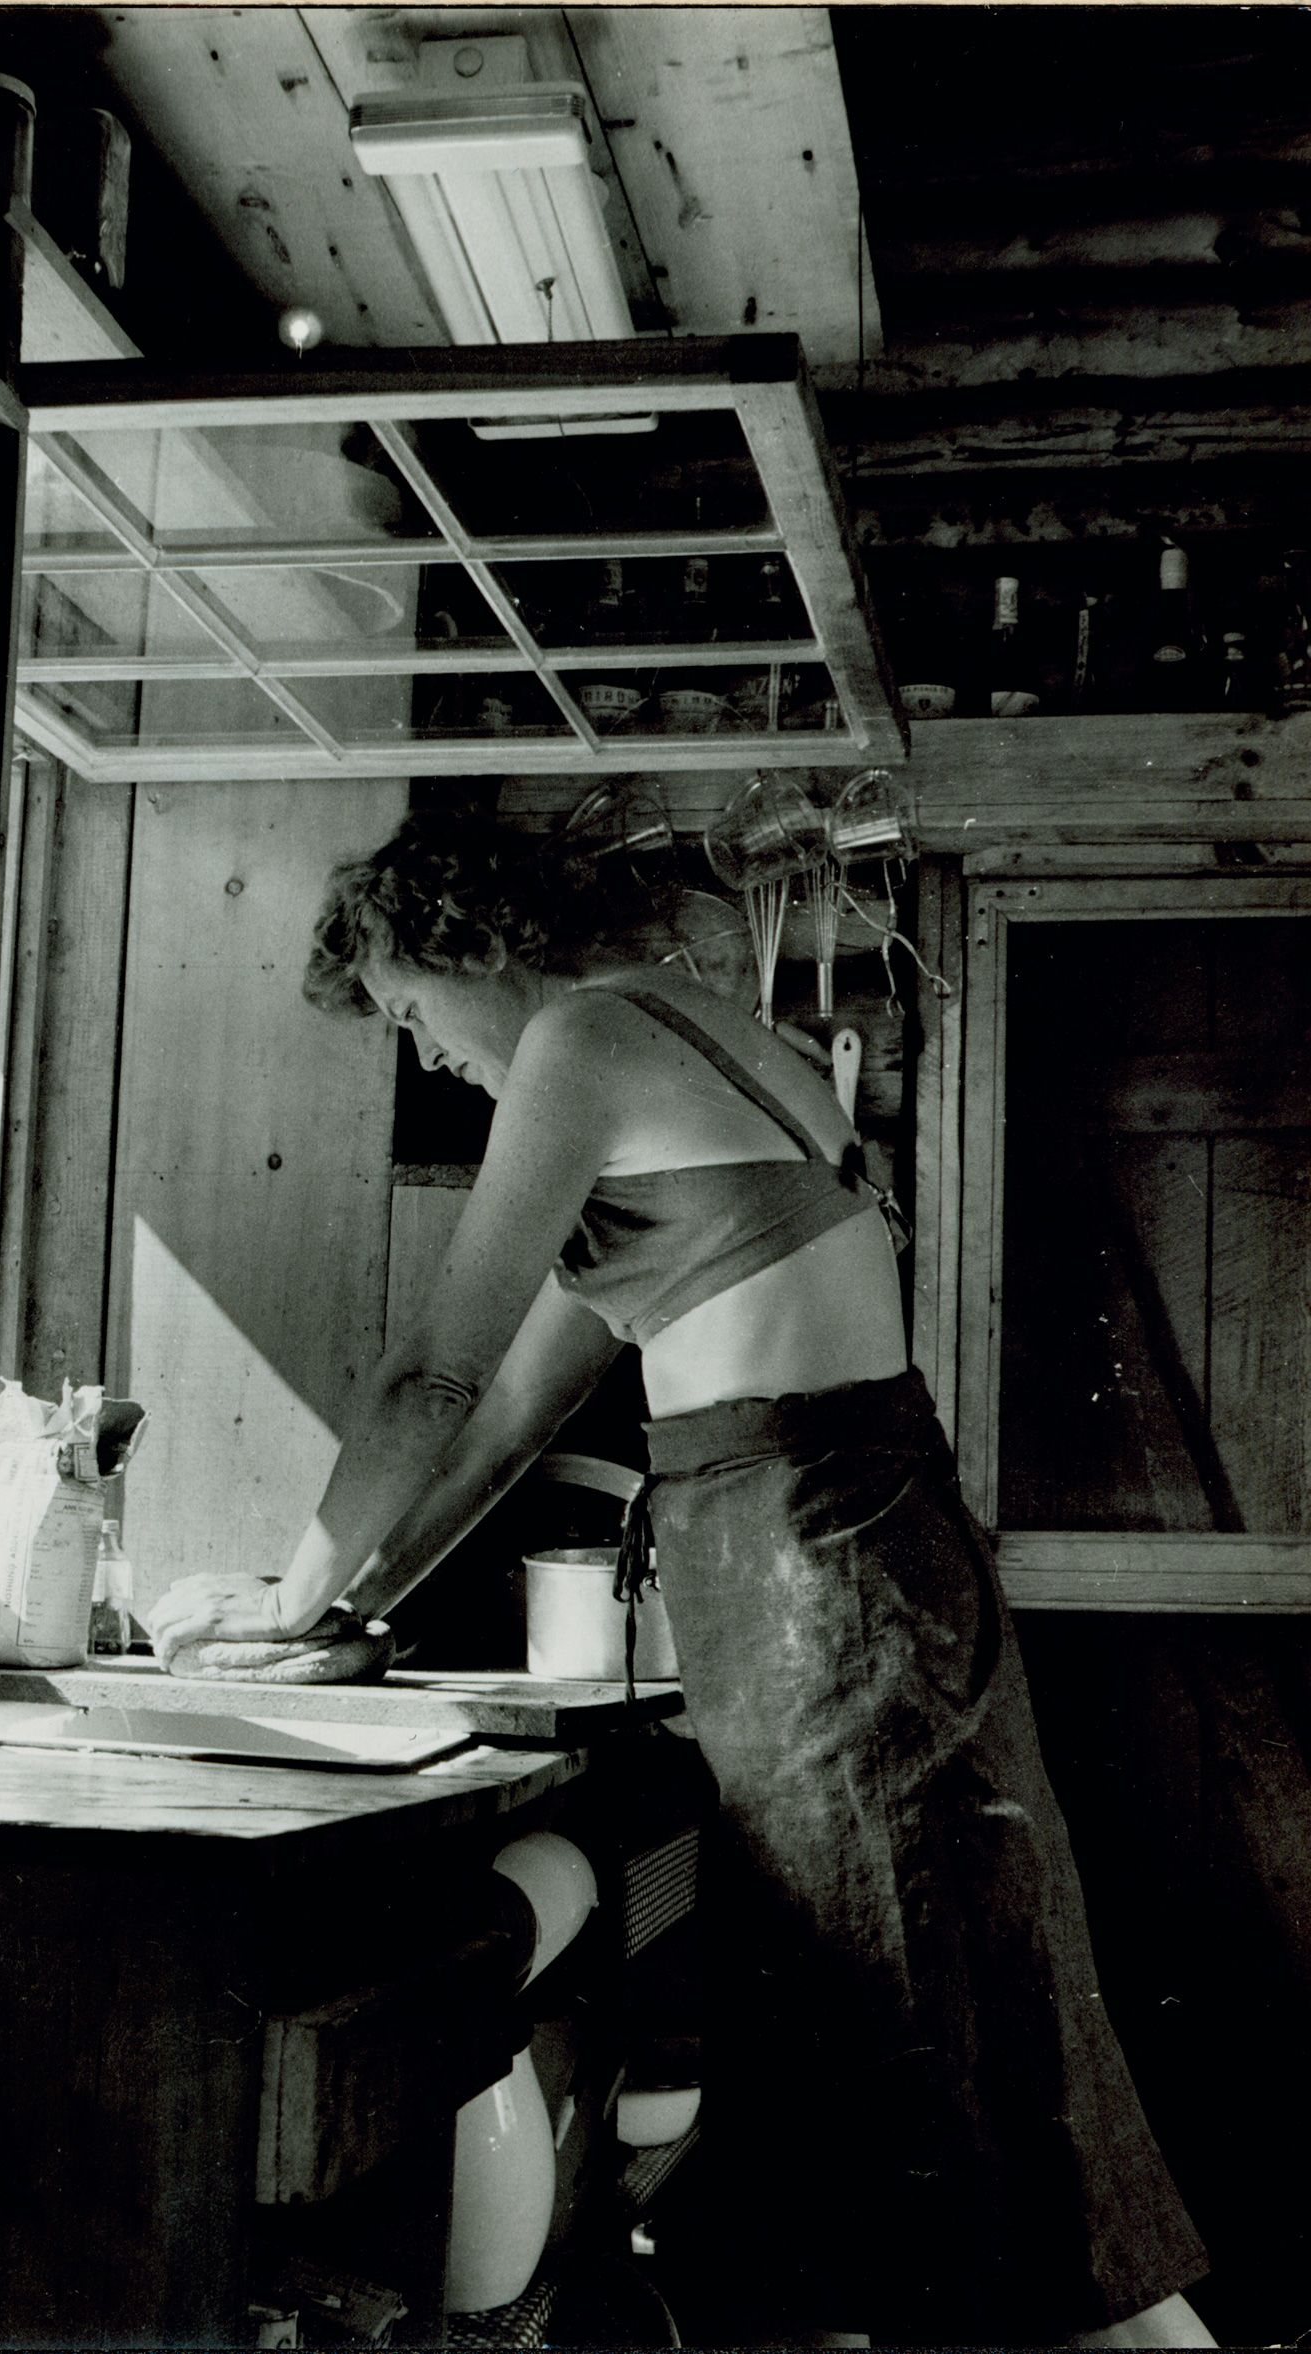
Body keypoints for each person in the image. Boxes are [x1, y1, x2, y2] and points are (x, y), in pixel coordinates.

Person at [146, 812, 1214, 2350]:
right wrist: (342, 1602)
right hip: (850, 1560)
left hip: (818, 1564)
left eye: (405, 1010)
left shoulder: (581, 1040)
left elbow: (431, 1375)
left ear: (468, 945)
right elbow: (509, 1418)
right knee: (950, 2034)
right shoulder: (695, 1041)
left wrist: (286, 1603)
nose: (425, 1054)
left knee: (941, 2043)